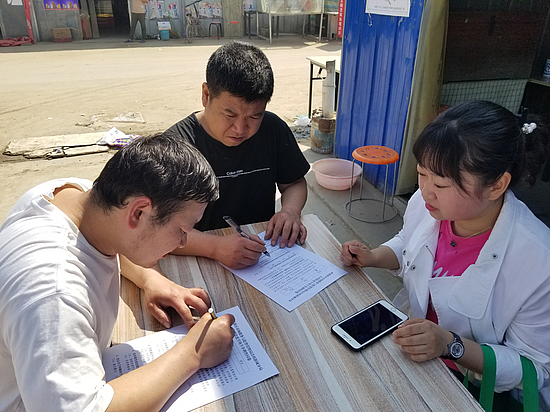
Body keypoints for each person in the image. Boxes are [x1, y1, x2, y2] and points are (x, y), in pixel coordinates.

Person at [0, 132, 235, 412]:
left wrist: (150, 278)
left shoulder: (69, 193)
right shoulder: (55, 294)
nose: (183, 242)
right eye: (182, 230)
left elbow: (116, 237)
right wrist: (193, 353)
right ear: (138, 212)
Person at [340, 101, 550, 409]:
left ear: (496, 186)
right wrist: (373, 257)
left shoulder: (538, 260)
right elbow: (408, 242)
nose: (425, 191)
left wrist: (450, 345)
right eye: (421, 173)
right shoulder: (429, 205)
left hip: (477, 389)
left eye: (440, 183)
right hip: (413, 354)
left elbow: (533, 368)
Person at [167, 41, 310, 269]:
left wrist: (290, 212)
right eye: (230, 114)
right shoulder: (176, 147)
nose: (240, 129)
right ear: (206, 95)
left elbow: (294, 183)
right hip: (199, 257)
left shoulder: (272, 129)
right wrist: (215, 247)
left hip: (261, 255)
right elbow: (157, 229)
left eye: (254, 116)